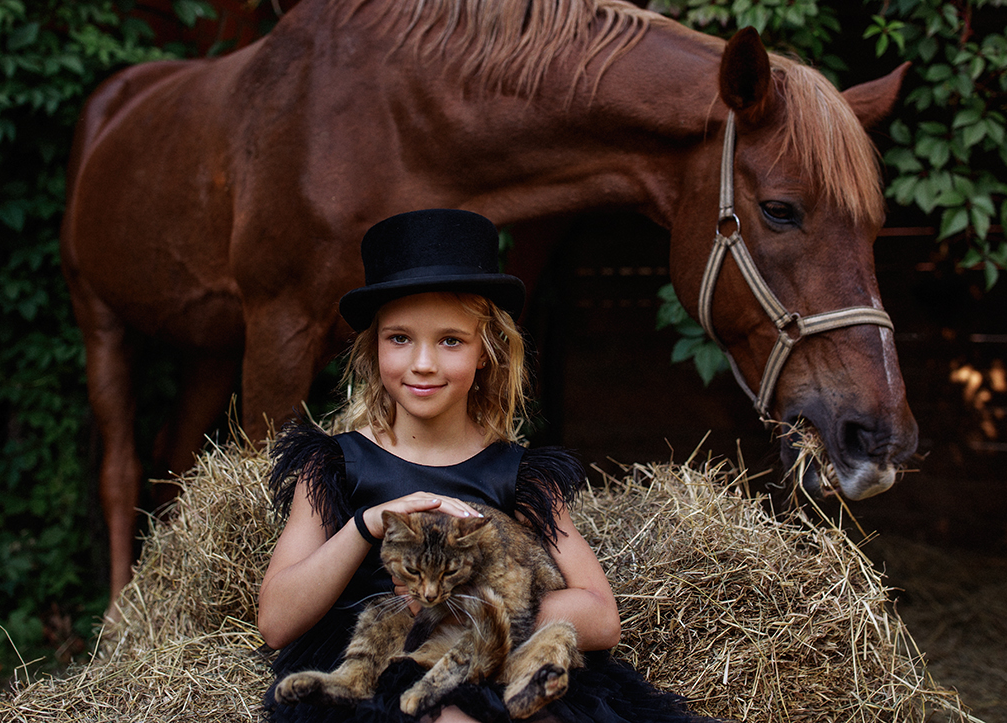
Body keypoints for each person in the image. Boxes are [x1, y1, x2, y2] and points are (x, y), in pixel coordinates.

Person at [257, 209, 717, 723]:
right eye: (400, 338)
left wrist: (468, 610)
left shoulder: (516, 476)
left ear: (486, 352)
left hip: (485, 656)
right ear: (373, 348)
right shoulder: (336, 465)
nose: (423, 363)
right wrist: (366, 524)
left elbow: (600, 615)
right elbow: (276, 621)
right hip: (377, 667)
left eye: (450, 340)